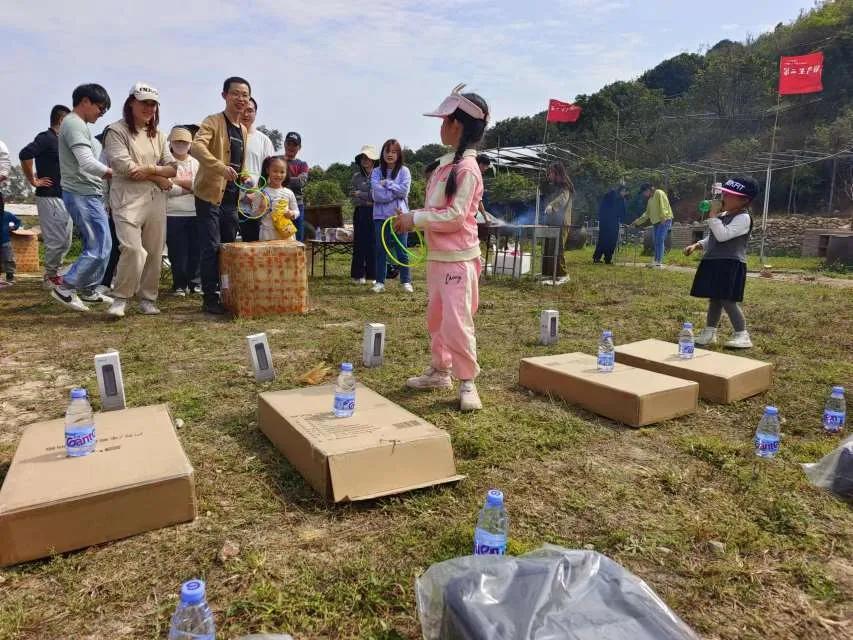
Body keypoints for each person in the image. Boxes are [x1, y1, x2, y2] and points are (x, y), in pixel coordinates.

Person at [393, 84, 489, 411]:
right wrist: (411, 218)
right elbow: (438, 212)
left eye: (444, 120)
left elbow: (455, 216)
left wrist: (414, 219)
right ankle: (440, 370)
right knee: (436, 317)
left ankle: (467, 380)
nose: (441, 126)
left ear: (456, 125)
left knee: (456, 321)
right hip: (438, 258)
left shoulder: (467, 169)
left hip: (459, 260)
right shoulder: (445, 166)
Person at [103, 83, 177, 317]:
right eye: (144, 102)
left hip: (155, 200)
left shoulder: (159, 135)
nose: (148, 108)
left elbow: (173, 168)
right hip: (127, 197)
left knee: (155, 251)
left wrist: (151, 171)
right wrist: (158, 176)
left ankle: (147, 297)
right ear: (131, 102)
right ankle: (121, 298)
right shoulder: (116, 131)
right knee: (132, 249)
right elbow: (125, 167)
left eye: (153, 104)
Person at [51, 83, 113, 312]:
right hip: (81, 193)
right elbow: (86, 162)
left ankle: (88, 288)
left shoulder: (80, 125)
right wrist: (113, 174)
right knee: (100, 243)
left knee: (100, 242)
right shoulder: (74, 124)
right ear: (85, 101)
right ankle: (65, 287)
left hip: (89, 193)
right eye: (101, 107)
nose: (101, 113)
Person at [191, 76, 250, 315]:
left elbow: (237, 163)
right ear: (224, 95)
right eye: (235, 93)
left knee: (227, 247)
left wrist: (243, 175)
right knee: (212, 247)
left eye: (244, 94)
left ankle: (227, 293)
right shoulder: (213, 121)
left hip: (231, 198)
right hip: (209, 195)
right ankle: (209, 297)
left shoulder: (243, 129)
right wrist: (219, 167)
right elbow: (196, 147)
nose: (240, 99)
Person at [684, 177, 759, 349]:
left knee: (727, 299)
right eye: (725, 193)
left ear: (744, 200)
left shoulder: (744, 218)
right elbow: (714, 237)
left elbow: (724, 234)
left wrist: (712, 217)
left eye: (730, 195)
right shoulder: (724, 216)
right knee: (715, 299)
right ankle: (710, 332)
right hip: (714, 261)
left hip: (730, 263)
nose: (724, 197)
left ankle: (742, 334)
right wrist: (698, 244)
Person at [19, 105, 73, 289]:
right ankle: (50, 277)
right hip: (49, 196)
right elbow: (25, 153)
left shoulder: (62, 141)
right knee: (56, 239)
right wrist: (33, 180)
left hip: (64, 196)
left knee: (66, 239)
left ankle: (54, 273)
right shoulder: (46, 138)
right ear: (61, 120)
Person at [371, 139, 413, 293]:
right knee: (381, 249)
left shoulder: (404, 171)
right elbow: (376, 196)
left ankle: (406, 281)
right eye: (387, 151)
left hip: (399, 216)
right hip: (380, 217)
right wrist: (394, 194)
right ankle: (380, 282)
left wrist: (387, 183)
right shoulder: (376, 171)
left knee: (401, 248)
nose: (390, 154)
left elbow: (404, 192)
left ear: (399, 154)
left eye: (394, 152)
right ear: (382, 153)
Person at [165, 127, 200, 296]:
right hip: (171, 213)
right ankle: (179, 284)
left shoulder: (196, 162)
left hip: (194, 212)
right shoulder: (165, 162)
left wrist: (177, 180)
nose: (180, 145)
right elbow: (166, 188)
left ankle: (194, 283)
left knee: (195, 250)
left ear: (190, 144)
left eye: (184, 142)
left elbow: (199, 185)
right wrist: (188, 188)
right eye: (177, 141)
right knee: (176, 252)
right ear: (170, 142)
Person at [239, 97, 275, 242]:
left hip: (254, 204)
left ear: (255, 113)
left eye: (250, 110)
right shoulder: (226, 137)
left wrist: (257, 194)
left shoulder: (264, 140)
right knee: (225, 245)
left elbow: (271, 173)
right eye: (242, 110)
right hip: (228, 201)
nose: (246, 114)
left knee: (252, 244)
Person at [540, 161, 574, 285]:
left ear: (558, 173)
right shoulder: (554, 186)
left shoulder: (565, 187)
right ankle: (549, 273)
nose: (549, 175)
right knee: (548, 248)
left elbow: (562, 200)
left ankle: (563, 274)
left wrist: (551, 206)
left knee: (557, 249)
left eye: (551, 173)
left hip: (562, 223)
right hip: (552, 222)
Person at [350, 145, 378, 284]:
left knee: (373, 243)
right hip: (360, 212)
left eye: (368, 157)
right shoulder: (356, 177)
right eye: (363, 157)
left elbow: (377, 196)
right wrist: (368, 200)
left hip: (375, 213)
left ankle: (372, 275)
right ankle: (358, 274)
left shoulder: (379, 175)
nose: (365, 160)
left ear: (373, 160)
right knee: (360, 243)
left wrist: (362, 195)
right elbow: (353, 198)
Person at [256, 156, 299, 241]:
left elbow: (297, 211)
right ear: (268, 171)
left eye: (282, 172)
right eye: (275, 171)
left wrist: (292, 213)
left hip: (286, 234)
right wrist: (261, 209)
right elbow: (254, 214)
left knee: (286, 254)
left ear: (286, 173)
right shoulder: (261, 192)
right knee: (268, 254)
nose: (278, 175)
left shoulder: (289, 193)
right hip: (267, 234)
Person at [631, 181, 673, 268]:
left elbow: (663, 205)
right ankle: (656, 261)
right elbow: (647, 214)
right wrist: (636, 222)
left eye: (644, 192)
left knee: (660, 240)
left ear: (649, 189)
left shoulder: (659, 192)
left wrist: (663, 217)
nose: (643, 194)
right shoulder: (650, 200)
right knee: (656, 241)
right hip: (656, 222)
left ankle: (659, 262)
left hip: (664, 220)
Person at [283, 132, 309, 241]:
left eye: (294, 145)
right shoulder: (276, 160)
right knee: (280, 239)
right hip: (279, 204)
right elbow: (270, 180)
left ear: (299, 147)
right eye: (289, 143)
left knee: (297, 241)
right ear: (284, 144)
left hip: (297, 205)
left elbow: (301, 182)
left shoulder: (303, 164)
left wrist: (281, 179)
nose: (291, 147)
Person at [593, 185, 628, 264]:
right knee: (608, 240)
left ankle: (601, 258)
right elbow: (622, 212)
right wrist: (623, 221)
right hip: (610, 222)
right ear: (621, 190)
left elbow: (602, 207)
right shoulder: (615, 197)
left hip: (608, 222)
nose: (625, 193)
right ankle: (605, 258)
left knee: (606, 240)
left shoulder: (611, 196)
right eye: (624, 191)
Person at [0, 195, 21, 287]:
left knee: (9, 259)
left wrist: (14, 227)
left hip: (5, 241)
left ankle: (10, 277)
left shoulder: (7, 215)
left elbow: (18, 221)